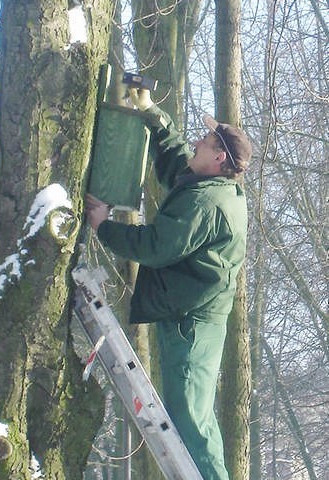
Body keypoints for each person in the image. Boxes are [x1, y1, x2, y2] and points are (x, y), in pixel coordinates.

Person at [85, 88, 252, 480]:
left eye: (206, 140)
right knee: (190, 416)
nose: (197, 141)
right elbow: (178, 160)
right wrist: (151, 114)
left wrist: (103, 226)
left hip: (191, 324)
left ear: (219, 157)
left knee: (191, 421)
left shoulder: (206, 203)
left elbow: (157, 247)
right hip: (192, 317)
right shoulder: (211, 188)